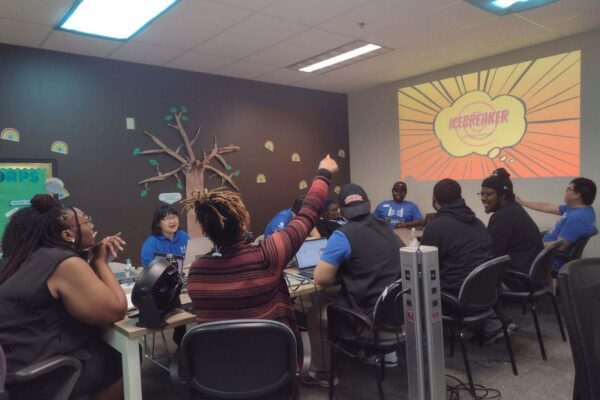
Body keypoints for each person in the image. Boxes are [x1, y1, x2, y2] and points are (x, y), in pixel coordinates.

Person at [185, 155, 338, 375]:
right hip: (274, 371)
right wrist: (323, 173)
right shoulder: (268, 255)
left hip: (218, 377)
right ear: (242, 222)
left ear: (206, 231)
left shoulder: (197, 274)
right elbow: (308, 214)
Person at [0, 194, 127, 400]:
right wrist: (101, 262)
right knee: (124, 356)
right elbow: (115, 310)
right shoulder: (62, 262)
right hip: (37, 378)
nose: (92, 226)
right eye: (87, 220)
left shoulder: (15, 260)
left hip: (10, 370)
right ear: (68, 235)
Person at [313, 183, 402, 384]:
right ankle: (369, 352)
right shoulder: (387, 228)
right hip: (395, 312)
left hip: (368, 319)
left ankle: (324, 372)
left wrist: (343, 273)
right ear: (368, 204)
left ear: (342, 211)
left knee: (315, 311)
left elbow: (321, 278)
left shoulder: (343, 235)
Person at [421, 179, 492, 296]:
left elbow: (424, 269)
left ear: (434, 200)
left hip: (453, 297)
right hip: (485, 294)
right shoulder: (478, 223)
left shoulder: (436, 227)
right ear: (460, 198)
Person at [480, 168, 543, 290]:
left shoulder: (503, 216)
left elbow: (492, 255)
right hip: (528, 274)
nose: (483, 198)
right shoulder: (514, 209)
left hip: (516, 280)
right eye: (482, 193)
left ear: (503, 196)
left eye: (488, 194)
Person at [517, 177, 597, 268]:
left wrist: (531, 245)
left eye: (568, 189)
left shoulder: (578, 218)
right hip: (544, 251)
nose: (565, 191)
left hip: (549, 259)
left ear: (577, 195)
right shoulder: (579, 209)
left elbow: (559, 246)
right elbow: (547, 207)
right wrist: (522, 202)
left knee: (512, 256)